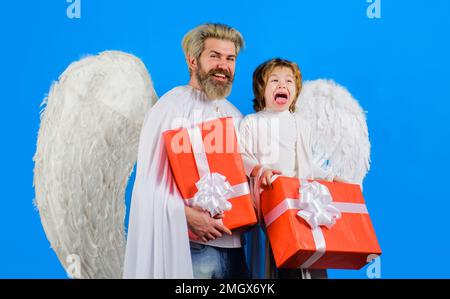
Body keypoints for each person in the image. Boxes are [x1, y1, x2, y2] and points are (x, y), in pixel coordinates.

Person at [123, 23, 251, 279]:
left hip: (236, 249)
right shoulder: (170, 108)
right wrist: (186, 215)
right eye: (214, 56)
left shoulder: (235, 115)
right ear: (193, 61)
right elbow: (147, 186)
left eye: (230, 58)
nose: (223, 66)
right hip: (193, 249)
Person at [239, 58, 329, 279]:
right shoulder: (251, 122)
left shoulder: (300, 124)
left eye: (289, 81)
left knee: (305, 261)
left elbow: (308, 164)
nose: (282, 85)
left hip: (298, 205)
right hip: (267, 206)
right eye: (274, 80)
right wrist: (260, 169)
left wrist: (333, 177)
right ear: (261, 89)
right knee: (273, 263)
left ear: (296, 91)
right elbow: (240, 156)